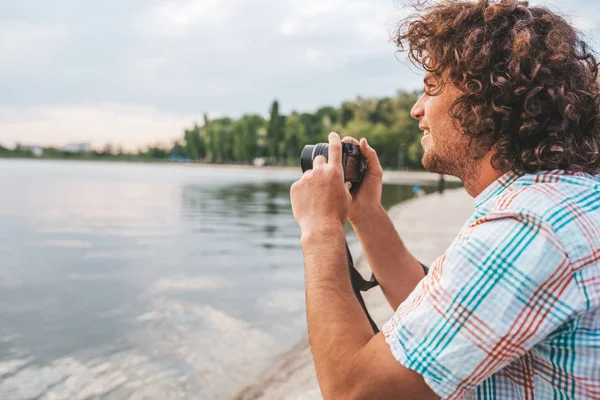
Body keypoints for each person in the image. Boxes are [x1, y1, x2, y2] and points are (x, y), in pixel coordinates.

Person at [289, 1, 600, 399]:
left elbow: (354, 390)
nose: (417, 110)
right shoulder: (562, 199)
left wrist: (319, 229)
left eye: (431, 86)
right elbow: (451, 312)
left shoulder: (529, 226)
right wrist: (366, 213)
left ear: (485, 98)